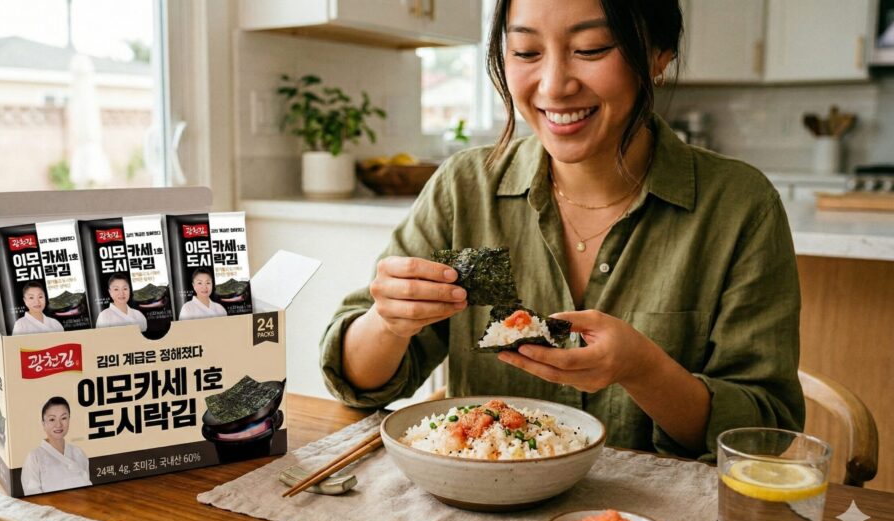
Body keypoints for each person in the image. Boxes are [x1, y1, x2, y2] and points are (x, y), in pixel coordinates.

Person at [320, 0, 803, 461]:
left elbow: (763, 431)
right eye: (526, 52)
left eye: (591, 49)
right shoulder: (463, 188)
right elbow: (359, 382)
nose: (553, 86)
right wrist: (387, 322)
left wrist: (644, 369)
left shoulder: (741, 206)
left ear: (659, 55)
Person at [21, 396, 92, 495]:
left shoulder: (79, 453)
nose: (58, 425)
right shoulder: (34, 457)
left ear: (69, 420)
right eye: (52, 419)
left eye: (63, 418)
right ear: (43, 423)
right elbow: (33, 495)